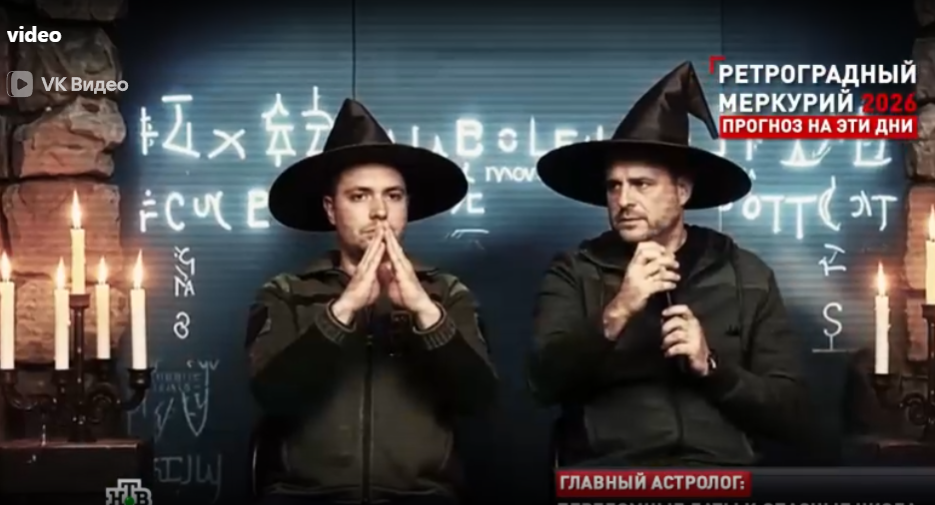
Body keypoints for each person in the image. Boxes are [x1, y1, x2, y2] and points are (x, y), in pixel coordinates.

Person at [528, 62, 806, 467]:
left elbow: (791, 413)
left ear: (682, 191)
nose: (624, 200)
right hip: (612, 477)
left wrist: (711, 366)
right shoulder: (574, 270)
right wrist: (618, 310)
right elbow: (542, 382)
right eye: (613, 186)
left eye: (642, 184)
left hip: (718, 477)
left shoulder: (747, 276)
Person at [246, 99, 496, 504]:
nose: (380, 211)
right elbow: (272, 394)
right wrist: (342, 311)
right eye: (360, 196)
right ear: (331, 209)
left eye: (393, 196)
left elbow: (478, 397)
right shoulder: (285, 293)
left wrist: (425, 312)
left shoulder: (447, 293)